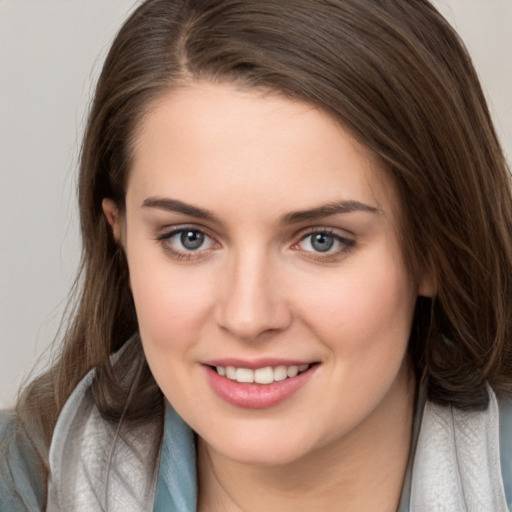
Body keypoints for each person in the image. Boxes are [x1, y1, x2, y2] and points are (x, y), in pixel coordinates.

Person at [1, 0, 512, 510]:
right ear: (121, 237)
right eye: (190, 238)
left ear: (436, 250)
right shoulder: (22, 478)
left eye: (321, 240)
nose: (248, 317)